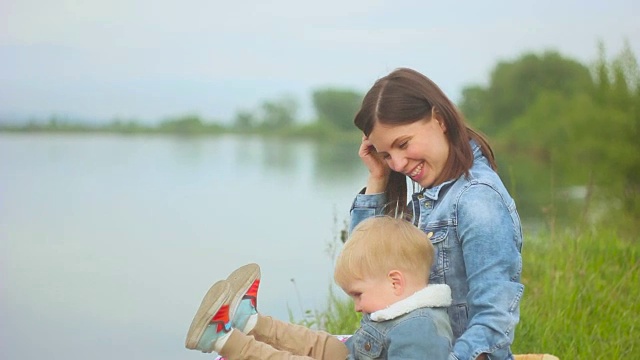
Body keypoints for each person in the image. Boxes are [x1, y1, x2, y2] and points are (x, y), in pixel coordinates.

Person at [349, 67, 524, 360]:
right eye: (386, 154)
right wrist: (377, 178)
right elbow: (361, 272)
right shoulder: (431, 196)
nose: (399, 164)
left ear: (439, 119)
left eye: (403, 144)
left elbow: (494, 323)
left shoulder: (477, 200)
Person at [185, 216, 454, 359]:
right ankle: (252, 322)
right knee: (322, 344)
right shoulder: (398, 312)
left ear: (395, 282)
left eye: (358, 294)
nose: (356, 306)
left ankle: (221, 340)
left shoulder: (420, 330)